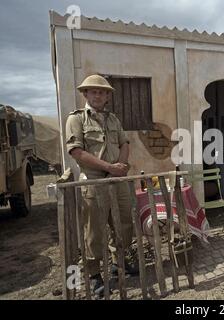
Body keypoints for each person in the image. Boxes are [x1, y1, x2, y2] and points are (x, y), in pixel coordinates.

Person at [65, 74, 136, 298]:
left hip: (117, 180)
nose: (98, 95)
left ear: (107, 97)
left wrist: (122, 165)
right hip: (95, 182)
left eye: (102, 92)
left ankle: (119, 264)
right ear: (85, 94)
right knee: (94, 232)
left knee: (123, 223)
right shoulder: (76, 119)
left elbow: (124, 143)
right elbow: (77, 152)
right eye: (93, 91)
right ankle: (95, 275)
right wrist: (109, 166)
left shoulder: (113, 119)